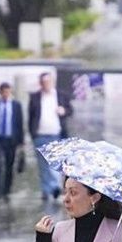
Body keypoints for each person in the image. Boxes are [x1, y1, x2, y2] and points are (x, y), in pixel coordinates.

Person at [28, 72, 74, 201]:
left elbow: (70, 110)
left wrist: (63, 111)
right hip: (40, 135)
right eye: (43, 82)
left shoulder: (61, 95)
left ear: (52, 82)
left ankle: (55, 188)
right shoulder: (35, 97)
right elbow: (31, 116)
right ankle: (46, 190)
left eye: (48, 82)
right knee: (42, 165)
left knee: (54, 164)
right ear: (40, 83)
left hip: (56, 135)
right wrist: (32, 133)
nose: (46, 84)